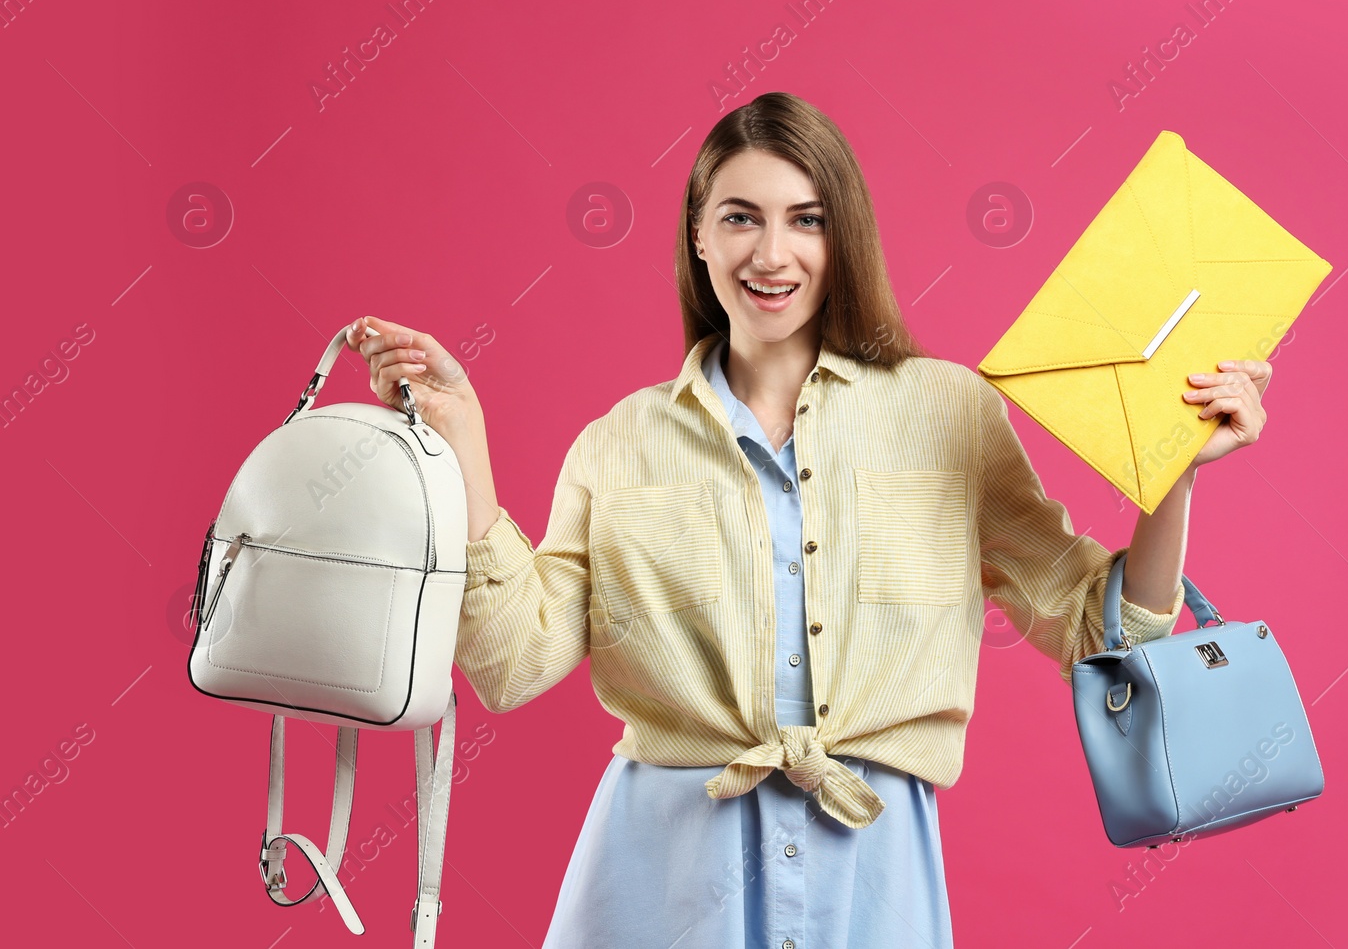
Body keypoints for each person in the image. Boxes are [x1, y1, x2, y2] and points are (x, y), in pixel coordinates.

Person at [344, 91, 1274, 946]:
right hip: (658, 885)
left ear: (845, 240)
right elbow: (511, 661)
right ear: (698, 241)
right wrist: (461, 439)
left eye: (807, 220)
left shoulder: (948, 413)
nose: (771, 253)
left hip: (873, 881)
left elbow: (1095, 625)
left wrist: (1177, 475)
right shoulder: (618, 443)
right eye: (740, 217)